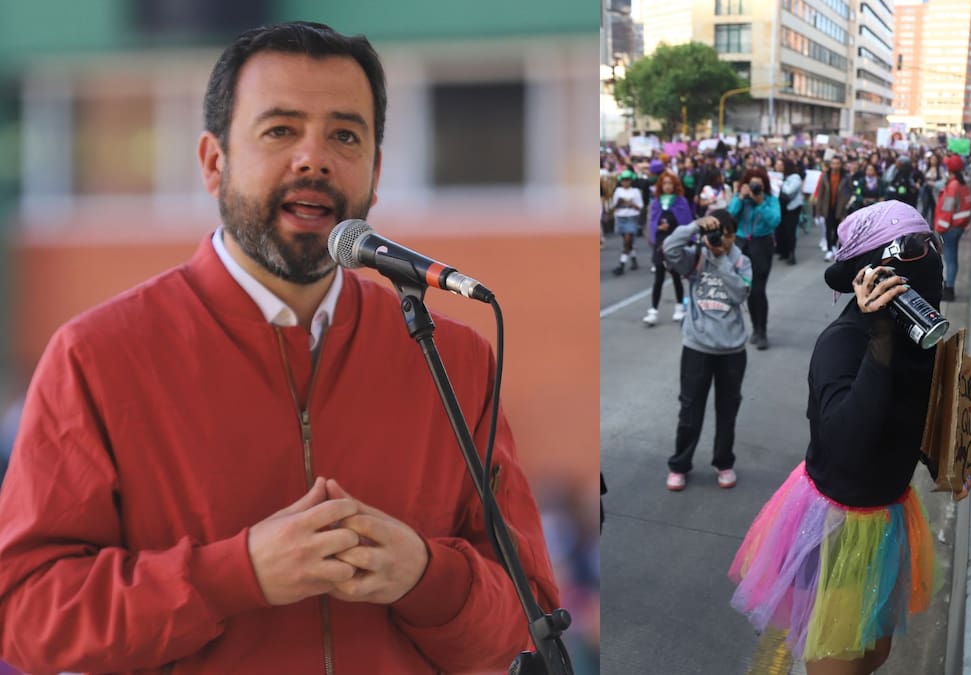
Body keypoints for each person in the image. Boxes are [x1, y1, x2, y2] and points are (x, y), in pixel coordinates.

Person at [0, 22, 558, 675]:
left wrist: (427, 577)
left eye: (345, 136)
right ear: (214, 163)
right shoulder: (97, 358)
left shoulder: (451, 357)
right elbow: (26, 614)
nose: (313, 159)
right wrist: (233, 576)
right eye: (280, 130)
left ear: (375, 174)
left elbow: (530, 616)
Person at [729, 201, 941, 674]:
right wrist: (879, 339)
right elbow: (846, 444)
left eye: (932, 243)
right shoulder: (844, 342)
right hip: (839, 529)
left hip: (888, 517)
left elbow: (915, 422)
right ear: (871, 273)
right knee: (837, 665)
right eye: (911, 248)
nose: (930, 257)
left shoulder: (920, 339)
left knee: (874, 655)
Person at [662, 210, 752, 492]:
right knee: (689, 410)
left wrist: (722, 259)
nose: (719, 239)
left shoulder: (741, 260)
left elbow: (740, 293)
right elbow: (669, 249)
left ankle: (723, 462)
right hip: (697, 346)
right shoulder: (696, 257)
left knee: (727, 410)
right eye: (714, 232)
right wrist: (693, 226)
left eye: (725, 233)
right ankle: (679, 465)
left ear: (733, 235)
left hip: (732, 350)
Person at [729, 167, 782, 350]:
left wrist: (760, 203)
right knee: (748, 290)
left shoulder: (770, 200)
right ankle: (754, 327)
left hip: (762, 245)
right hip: (742, 245)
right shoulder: (741, 199)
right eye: (751, 182)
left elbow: (775, 221)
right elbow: (730, 216)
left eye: (758, 183)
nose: (754, 186)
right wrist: (740, 198)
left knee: (759, 289)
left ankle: (763, 331)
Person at [933, 154, 971, 301]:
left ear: (950, 169)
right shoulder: (963, 184)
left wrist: (939, 228)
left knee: (950, 259)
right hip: (958, 226)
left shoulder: (953, 185)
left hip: (949, 228)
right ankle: (949, 285)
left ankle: (949, 289)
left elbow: (946, 210)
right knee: (952, 258)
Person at [644, 210, 687, 325]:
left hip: (674, 247)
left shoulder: (680, 204)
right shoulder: (657, 205)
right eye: (664, 189)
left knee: (676, 278)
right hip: (659, 247)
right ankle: (653, 310)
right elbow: (651, 226)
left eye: (670, 189)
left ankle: (679, 307)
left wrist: (671, 230)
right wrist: (658, 229)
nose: (667, 189)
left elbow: (684, 225)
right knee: (658, 280)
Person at [814, 157, 852, 263]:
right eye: (833, 163)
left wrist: (845, 203)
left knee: (837, 228)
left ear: (840, 164)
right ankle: (829, 248)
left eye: (837, 163)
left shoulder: (846, 177)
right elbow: (821, 193)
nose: (835, 165)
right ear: (830, 164)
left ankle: (834, 245)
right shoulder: (825, 176)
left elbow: (849, 191)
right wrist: (818, 209)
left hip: (840, 206)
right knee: (828, 227)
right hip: (827, 206)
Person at [612, 169, 644, 275]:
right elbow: (614, 207)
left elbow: (640, 207)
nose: (625, 182)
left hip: (631, 218)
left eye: (627, 180)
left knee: (627, 239)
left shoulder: (635, 191)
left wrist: (632, 204)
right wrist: (619, 202)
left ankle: (622, 263)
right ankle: (633, 258)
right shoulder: (618, 191)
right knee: (628, 241)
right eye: (623, 180)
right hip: (620, 218)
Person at [777, 159, 806, 266]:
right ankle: (784, 251)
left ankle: (791, 254)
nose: (778, 167)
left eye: (781, 165)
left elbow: (789, 191)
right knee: (782, 230)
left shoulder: (795, 178)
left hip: (792, 208)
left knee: (790, 231)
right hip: (782, 207)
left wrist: (780, 184)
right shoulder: (780, 176)